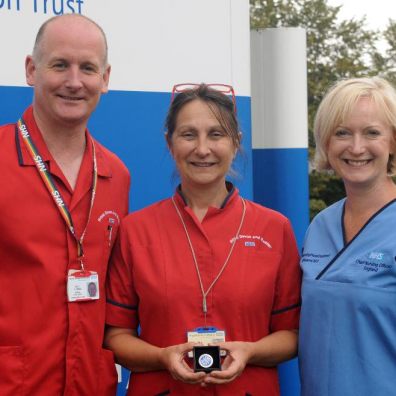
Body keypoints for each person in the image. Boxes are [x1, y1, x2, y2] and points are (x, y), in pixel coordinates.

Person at [105, 83, 301, 395]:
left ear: (236, 143)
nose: (202, 148)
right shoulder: (136, 230)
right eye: (188, 134)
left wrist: (249, 351)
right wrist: (162, 357)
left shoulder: (274, 228)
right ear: (170, 143)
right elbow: (116, 335)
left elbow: (291, 334)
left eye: (216, 134)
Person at [0, 14, 130, 395]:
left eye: (88, 68)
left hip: (90, 385)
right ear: (31, 69)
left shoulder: (116, 175)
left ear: (104, 79)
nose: (74, 82)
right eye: (60, 65)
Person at [299, 76, 396, 396]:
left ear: (393, 141)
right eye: (342, 133)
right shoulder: (320, 226)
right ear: (326, 142)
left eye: (372, 132)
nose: (356, 147)